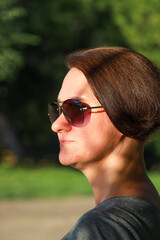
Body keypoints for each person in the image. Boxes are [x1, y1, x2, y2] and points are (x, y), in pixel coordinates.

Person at [48, 47, 160, 239]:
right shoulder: (147, 211)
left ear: (125, 112)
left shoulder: (101, 228)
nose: (57, 125)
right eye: (57, 110)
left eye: (74, 109)